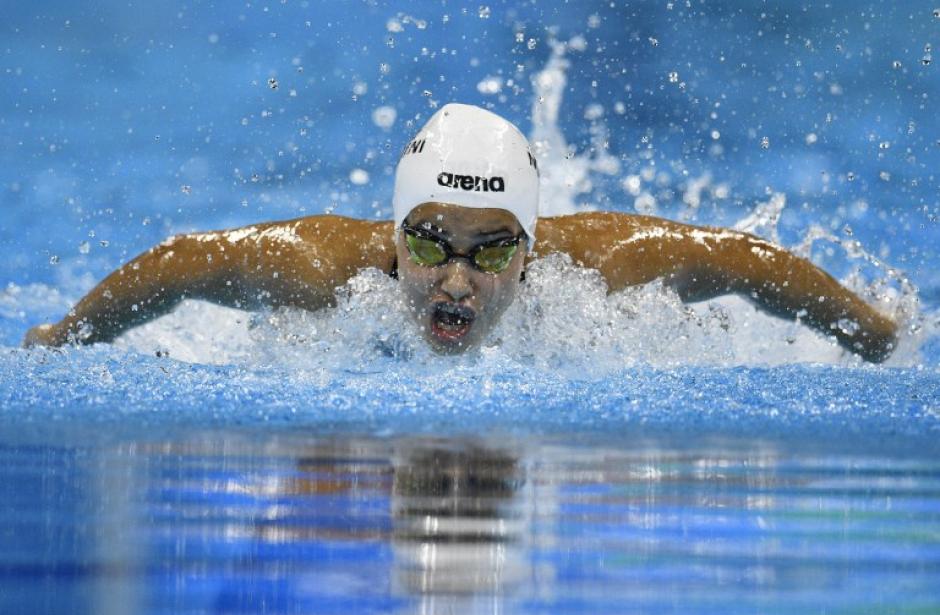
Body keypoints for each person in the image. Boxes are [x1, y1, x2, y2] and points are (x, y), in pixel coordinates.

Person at [23, 103, 898, 362]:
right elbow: (181, 265)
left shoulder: (601, 267)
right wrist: (61, 338)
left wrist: (879, 335)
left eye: (492, 250)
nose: (456, 281)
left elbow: (744, 264)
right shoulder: (322, 270)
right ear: (397, 235)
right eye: (433, 243)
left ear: (531, 248)